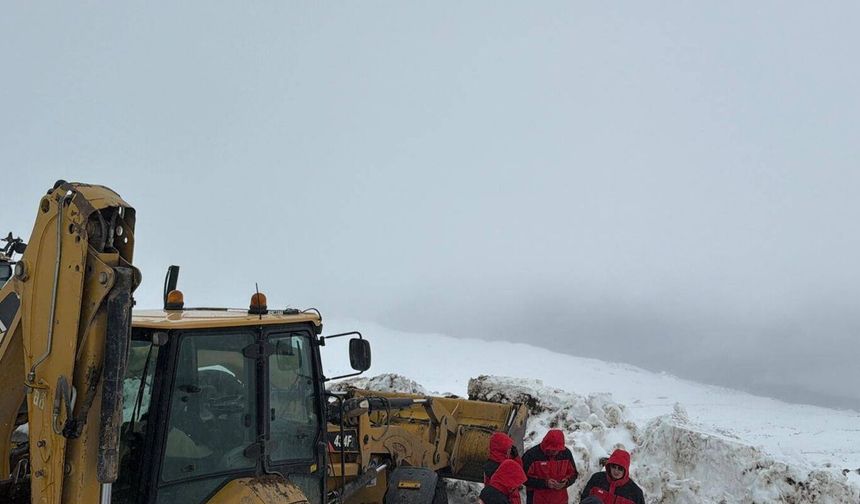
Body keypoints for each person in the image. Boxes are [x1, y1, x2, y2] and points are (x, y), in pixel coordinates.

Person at [522, 429, 577, 504]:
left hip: (560, 500)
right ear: (547, 445)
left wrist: (566, 482)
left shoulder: (566, 453)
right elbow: (523, 478)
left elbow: (574, 474)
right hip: (537, 500)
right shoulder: (531, 455)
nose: (556, 452)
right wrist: (545, 483)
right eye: (553, 450)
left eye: (558, 450)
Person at [580, 449, 645, 504]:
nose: (616, 471)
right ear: (609, 466)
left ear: (626, 469)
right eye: (614, 467)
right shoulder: (597, 479)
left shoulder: (635, 493)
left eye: (620, 468)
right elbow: (584, 499)